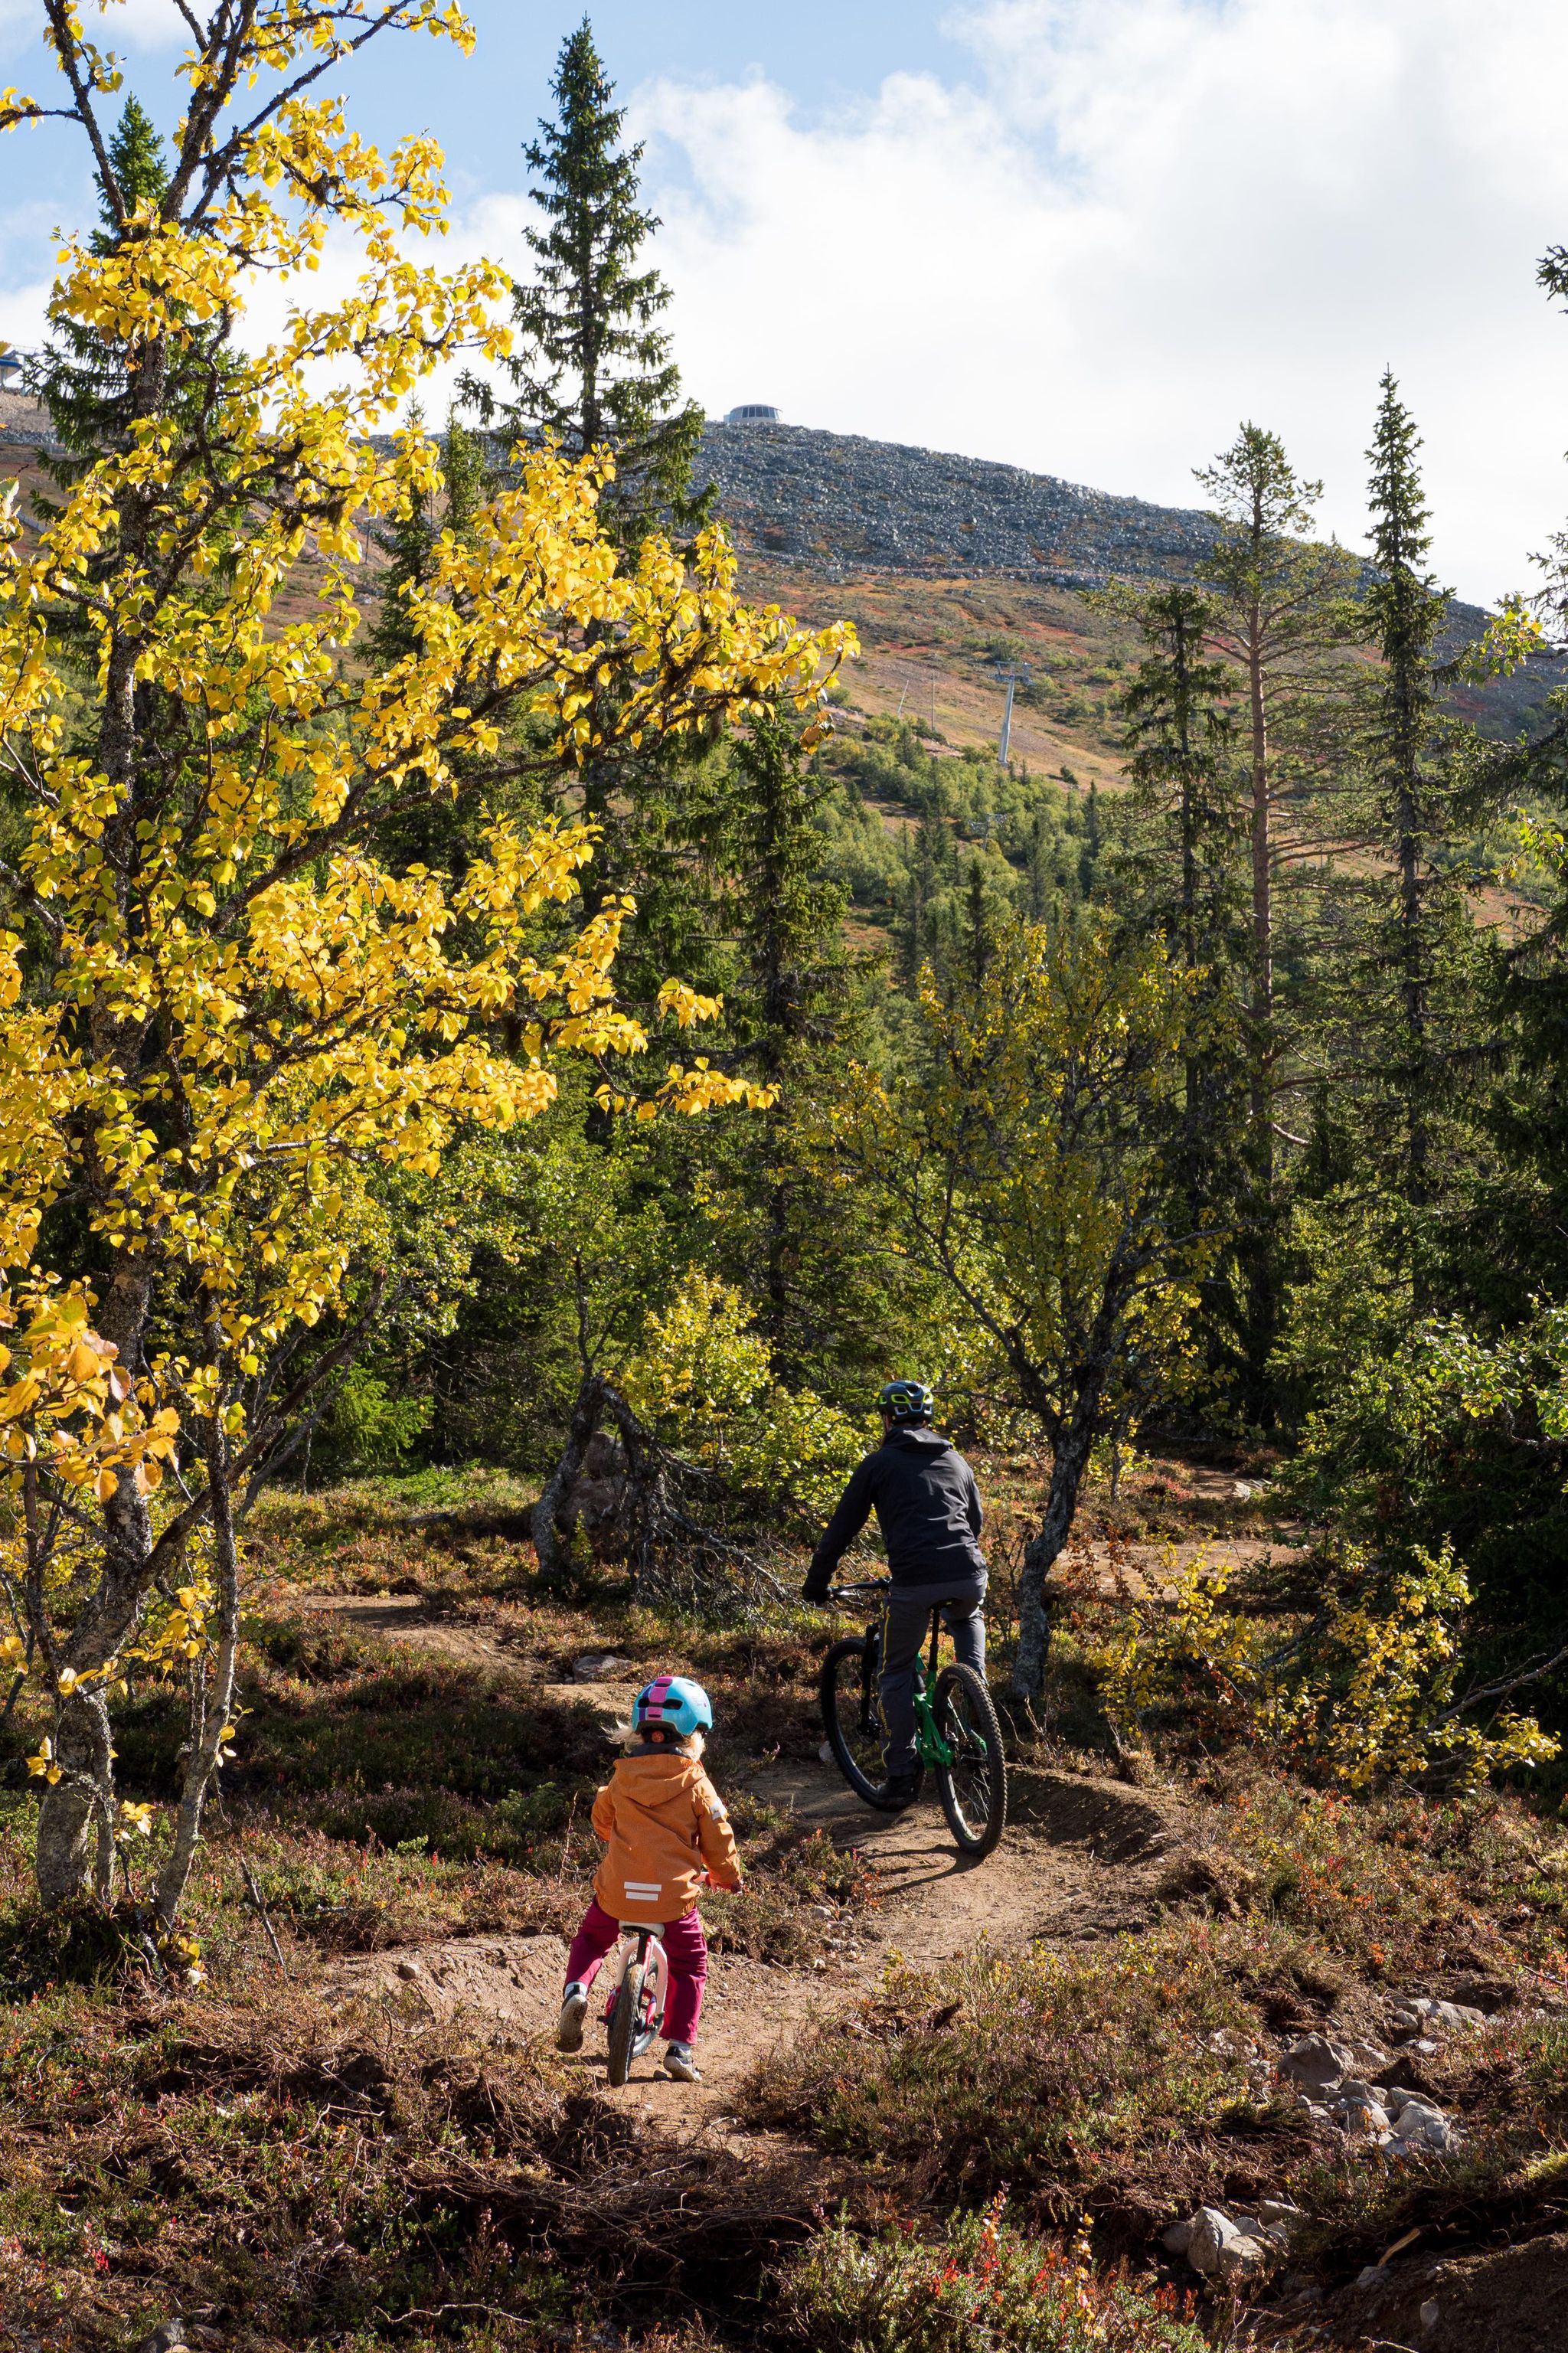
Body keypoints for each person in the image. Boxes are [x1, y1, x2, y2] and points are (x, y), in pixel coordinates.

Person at [802, 1377, 987, 1809]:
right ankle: (975, 1695)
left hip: (914, 1580)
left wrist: (816, 1583)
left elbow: (840, 1530)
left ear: (887, 1419)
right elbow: (974, 1523)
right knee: (968, 1617)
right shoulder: (956, 1460)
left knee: (895, 1671)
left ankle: (902, 1775)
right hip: (968, 1573)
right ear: (927, 1418)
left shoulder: (878, 1463)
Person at [557, 1673, 743, 2083]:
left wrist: (620, 1834)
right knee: (691, 1962)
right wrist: (727, 1875)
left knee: (592, 1939)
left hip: (617, 1894)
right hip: (672, 1902)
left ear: (638, 1731)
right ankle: (680, 2048)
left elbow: (601, 1819)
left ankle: (576, 1992)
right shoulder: (695, 1781)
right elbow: (718, 1833)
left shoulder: (622, 1777)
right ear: (693, 1734)